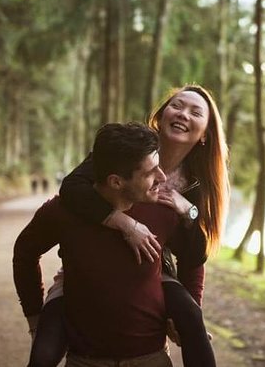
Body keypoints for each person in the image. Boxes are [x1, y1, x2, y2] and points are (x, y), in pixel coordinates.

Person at [35, 85, 230, 367]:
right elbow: (73, 186)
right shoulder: (127, 149)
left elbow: (194, 258)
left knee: (191, 317)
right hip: (91, 261)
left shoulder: (194, 184)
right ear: (160, 116)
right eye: (177, 106)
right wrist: (126, 223)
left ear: (205, 135)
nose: (183, 114)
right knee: (45, 351)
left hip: (150, 268)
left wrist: (188, 211)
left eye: (195, 112)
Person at [14, 122, 179, 366]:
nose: (163, 178)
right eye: (149, 172)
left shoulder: (163, 209)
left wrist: (182, 312)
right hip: (86, 361)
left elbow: (195, 257)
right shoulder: (62, 211)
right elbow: (24, 253)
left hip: (151, 358)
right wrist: (35, 318)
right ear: (116, 182)